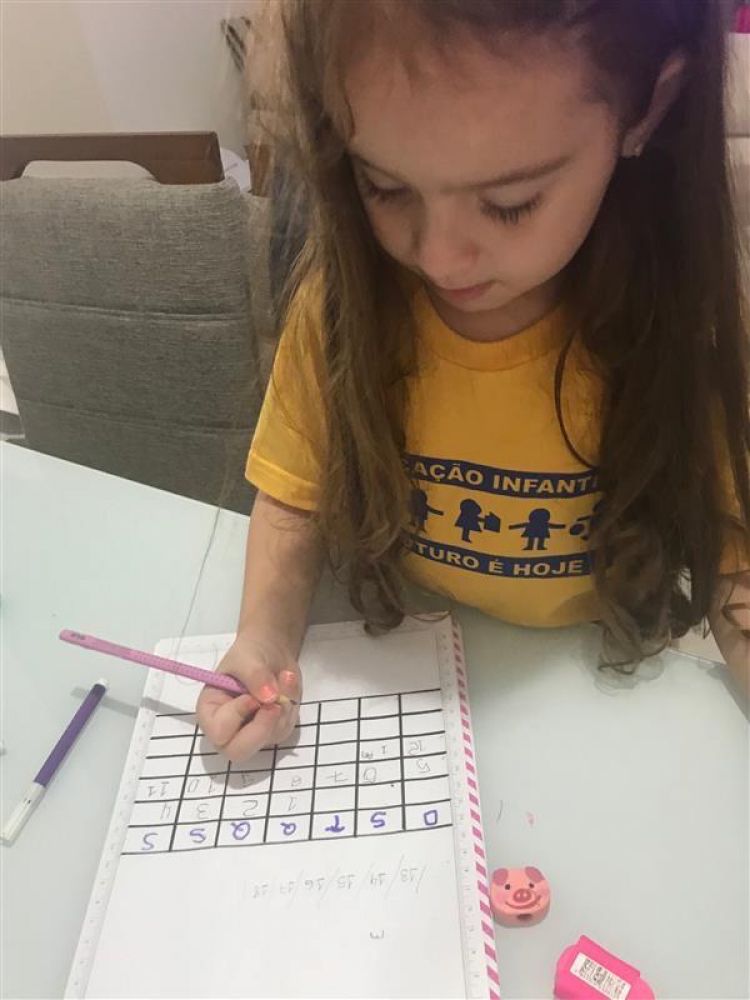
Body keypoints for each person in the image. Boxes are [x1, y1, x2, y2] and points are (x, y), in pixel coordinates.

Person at [197, 0, 750, 760]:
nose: (439, 258)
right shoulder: (343, 308)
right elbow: (294, 496)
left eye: (509, 204)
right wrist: (263, 639)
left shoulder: (689, 327)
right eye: (384, 186)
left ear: (648, 107)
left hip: (598, 702)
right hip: (410, 678)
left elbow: (732, 562)